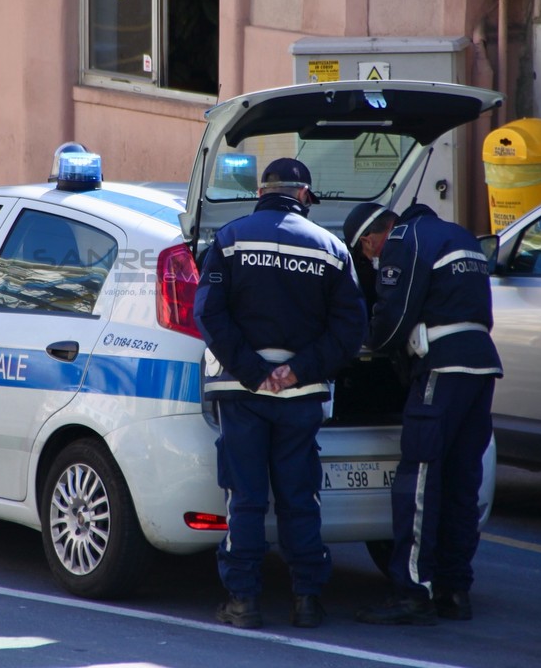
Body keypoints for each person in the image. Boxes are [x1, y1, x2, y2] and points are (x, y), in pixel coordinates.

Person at [194, 157, 367, 629]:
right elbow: (351, 329)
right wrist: (296, 371)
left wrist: (254, 371)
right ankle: (307, 600)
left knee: (245, 496)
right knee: (299, 496)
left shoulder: (229, 239)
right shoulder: (332, 248)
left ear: (260, 193)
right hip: (302, 394)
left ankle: (243, 602)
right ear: (305, 196)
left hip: (242, 391)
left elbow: (208, 313)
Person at [348, 201, 502, 626]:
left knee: (419, 480)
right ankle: (455, 591)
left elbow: (393, 318)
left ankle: (411, 591)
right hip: (481, 366)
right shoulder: (463, 238)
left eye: (365, 249)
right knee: (460, 482)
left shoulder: (403, 238)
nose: (369, 258)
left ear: (372, 235)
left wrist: (362, 340)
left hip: (443, 368)